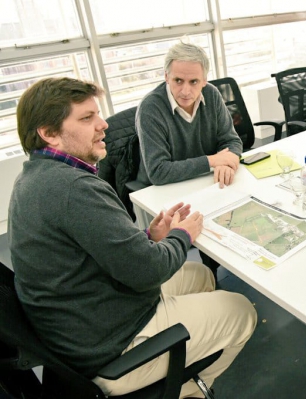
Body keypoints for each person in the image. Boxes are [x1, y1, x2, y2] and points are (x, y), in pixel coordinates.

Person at [8, 77, 257, 398]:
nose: (103, 125)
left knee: (200, 274)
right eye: (86, 118)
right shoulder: (75, 189)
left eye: (97, 114)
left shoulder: (36, 177)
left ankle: (182, 358)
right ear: (49, 133)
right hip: (110, 348)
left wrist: (150, 236)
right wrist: (182, 235)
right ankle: (188, 391)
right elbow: (148, 271)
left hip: (85, 319)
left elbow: (96, 245)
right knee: (241, 311)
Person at [136, 41, 243, 188]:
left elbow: (232, 141)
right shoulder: (150, 108)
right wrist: (212, 161)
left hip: (204, 181)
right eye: (178, 80)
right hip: (162, 191)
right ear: (166, 76)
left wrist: (226, 164)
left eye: (194, 81)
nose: (185, 91)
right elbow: (158, 171)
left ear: (204, 80)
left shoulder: (211, 94)